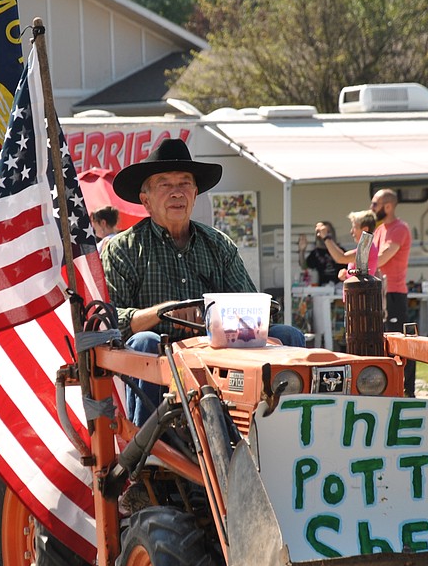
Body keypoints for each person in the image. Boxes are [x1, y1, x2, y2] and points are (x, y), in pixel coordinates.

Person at [101, 138, 306, 424]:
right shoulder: (123, 248)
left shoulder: (218, 244)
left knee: (289, 335)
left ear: (195, 195)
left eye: (184, 183)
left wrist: (226, 316)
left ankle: (287, 429)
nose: (177, 193)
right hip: (160, 355)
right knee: (143, 341)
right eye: (165, 184)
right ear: (145, 200)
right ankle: (148, 452)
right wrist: (163, 312)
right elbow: (110, 319)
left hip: (220, 354)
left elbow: (255, 306)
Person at [371, 189, 415, 396]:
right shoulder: (380, 230)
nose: (372, 209)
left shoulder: (399, 228)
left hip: (395, 293)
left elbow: (382, 258)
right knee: (384, 342)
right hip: (381, 292)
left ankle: (408, 390)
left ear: (388, 206)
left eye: (375, 204)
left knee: (401, 342)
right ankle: (390, 387)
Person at [316, 210, 378, 280]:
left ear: (365, 229)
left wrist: (325, 237)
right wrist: (346, 275)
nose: (351, 231)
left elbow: (341, 258)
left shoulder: (367, 250)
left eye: (354, 227)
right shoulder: (364, 249)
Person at [304, 221, 341, 285]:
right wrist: (302, 251)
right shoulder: (315, 253)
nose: (325, 235)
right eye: (322, 233)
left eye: (327, 232)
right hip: (321, 289)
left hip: (339, 289)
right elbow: (304, 266)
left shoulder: (340, 251)